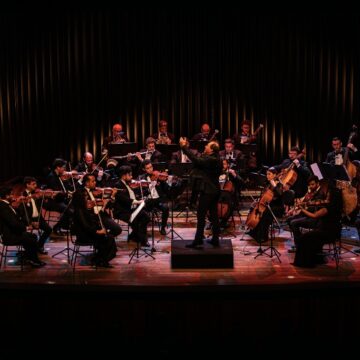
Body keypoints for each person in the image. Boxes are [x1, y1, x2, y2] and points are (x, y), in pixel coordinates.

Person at [179, 137, 222, 248]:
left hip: (208, 191)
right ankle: (215, 239)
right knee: (213, 215)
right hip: (214, 190)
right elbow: (198, 160)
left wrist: (184, 147)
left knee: (201, 215)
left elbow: (196, 160)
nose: (205, 146)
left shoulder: (211, 159)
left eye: (207, 146)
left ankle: (198, 240)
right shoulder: (214, 157)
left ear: (211, 150)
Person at [292, 185, 342, 268]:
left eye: (329, 195)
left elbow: (314, 216)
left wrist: (302, 209)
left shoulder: (327, 209)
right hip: (335, 233)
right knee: (311, 236)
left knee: (303, 238)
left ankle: (305, 262)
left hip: (326, 233)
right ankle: (317, 259)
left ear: (332, 197)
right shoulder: (337, 208)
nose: (327, 196)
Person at [71, 187, 117, 268]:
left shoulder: (82, 208)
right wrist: (98, 232)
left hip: (88, 233)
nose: (86, 198)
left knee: (109, 237)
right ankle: (100, 260)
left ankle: (100, 259)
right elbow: (86, 226)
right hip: (84, 236)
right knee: (108, 238)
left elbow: (90, 223)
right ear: (80, 199)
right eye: (85, 197)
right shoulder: (79, 211)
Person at [0, 187, 46, 267]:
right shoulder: (3, 207)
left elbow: (17, 218)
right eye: (12, 194)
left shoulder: (6, 205)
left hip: (13, 232)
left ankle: (29, 257)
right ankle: (34, 260)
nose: (14, 197)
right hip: (9, 236)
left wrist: (19, 204)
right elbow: (13, 223)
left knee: (33, 236)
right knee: (30, 240)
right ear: (7, 196)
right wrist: (26, 228)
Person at [286, 175, 327, 253]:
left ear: (318, 183)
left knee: (293, 223)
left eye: (312, 184)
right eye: (309, 185)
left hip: (314, 218)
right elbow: (304, 202)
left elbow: (313, 208)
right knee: (289, 219)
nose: (310, 186)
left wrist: (303, 207)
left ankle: (299, 246)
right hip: (305, 214)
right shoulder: (310, 191)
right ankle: (301, 242)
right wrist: (295, 208)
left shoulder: (320, 193)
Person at [112, 166, 150, 247]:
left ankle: (134, 236)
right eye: (130, 175)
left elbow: (133, 195)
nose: (132, 177)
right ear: (124, 175)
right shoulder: (118, 185)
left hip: (131, 208)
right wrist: (138, 201)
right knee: (136, 220)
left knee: (146, 217)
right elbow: (124, 199)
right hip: (122, 211)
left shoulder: (129, 184)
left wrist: (138, 191)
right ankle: (142, 240)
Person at [246, 167, 284, 244]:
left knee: (265, 213)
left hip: (277, 207)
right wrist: (258, 201)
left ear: (275, 175)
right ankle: (253, 230)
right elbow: (264, 196)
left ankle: (263, 236)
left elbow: (280, 194)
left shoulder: (279, 184)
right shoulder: (268, 184)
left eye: (269, 174)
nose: (267, 176)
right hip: (268, 204)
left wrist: (275, 186)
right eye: (267, 174)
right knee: (253, 207)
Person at [17, 176, 52, 254]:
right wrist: (31, 222)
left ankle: (39, 246)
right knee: (30, 235)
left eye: (35, 184)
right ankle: (31, 248)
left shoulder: (36, 194)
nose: (36, 186)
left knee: (49, 229)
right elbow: (22, 213)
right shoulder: (23, 196)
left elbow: (45, 206)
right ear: (27, 185)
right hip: (28, 220)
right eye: (33, 184)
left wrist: (46, 197)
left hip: (38, 218)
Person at [139, 160, 169, 235]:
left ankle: (163, 227)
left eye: (151, 167)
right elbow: (143, 193)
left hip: (158, 200)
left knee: (166, 208)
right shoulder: (141, 178)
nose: (150, 169)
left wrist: (164, 180)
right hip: (148, 201)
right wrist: (153, 183)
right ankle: (143, 230)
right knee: (142, 211)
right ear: (144, 169)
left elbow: (166, 190)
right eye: (148, 168)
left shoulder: (158, 176)